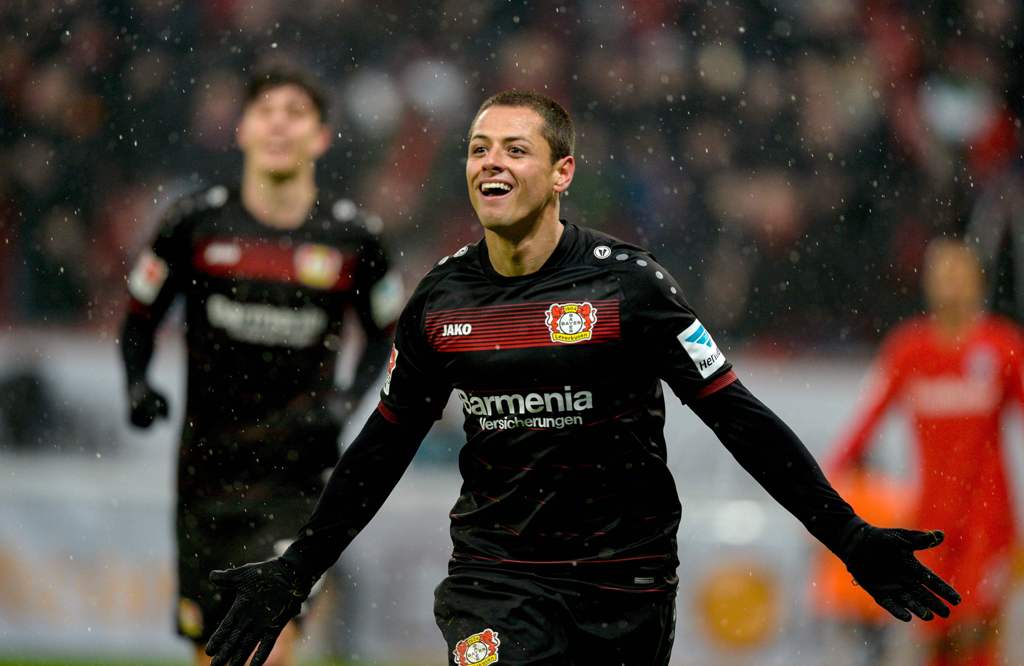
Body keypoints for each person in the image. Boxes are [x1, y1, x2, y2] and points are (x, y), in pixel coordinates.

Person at [203, 90, 960, 666]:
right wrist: (297, 569)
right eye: (477, 149)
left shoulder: (631, 289)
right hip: (494, 583)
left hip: (624, 586)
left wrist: (849, 537)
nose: (491, 162)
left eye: (515, 149)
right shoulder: (439, 301)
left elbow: (740, 418)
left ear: (562, 172)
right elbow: (382, 447)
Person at [119, 63, 402, 666]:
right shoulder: (193, 224)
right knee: (216, 652)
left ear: (321, 137)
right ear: (242, 129)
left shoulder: (355, 237)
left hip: (297, 479)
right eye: (266, 111)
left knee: (266, 648)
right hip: (206, 476)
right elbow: (138, 318)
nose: (279, 124)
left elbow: (386, 335)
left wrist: (347, 402)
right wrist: (137, 385)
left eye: (296, 112)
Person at [828, 239, 1023, 666]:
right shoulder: (909, 349)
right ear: (928, 283)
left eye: (959, 273)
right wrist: (822, 483)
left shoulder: (1003, 345)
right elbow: (865, 423)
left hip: (988, 522)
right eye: (942, 274)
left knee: (978, 636)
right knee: (933, 635)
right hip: (931, 519)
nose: (951, 284)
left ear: (979, 282)